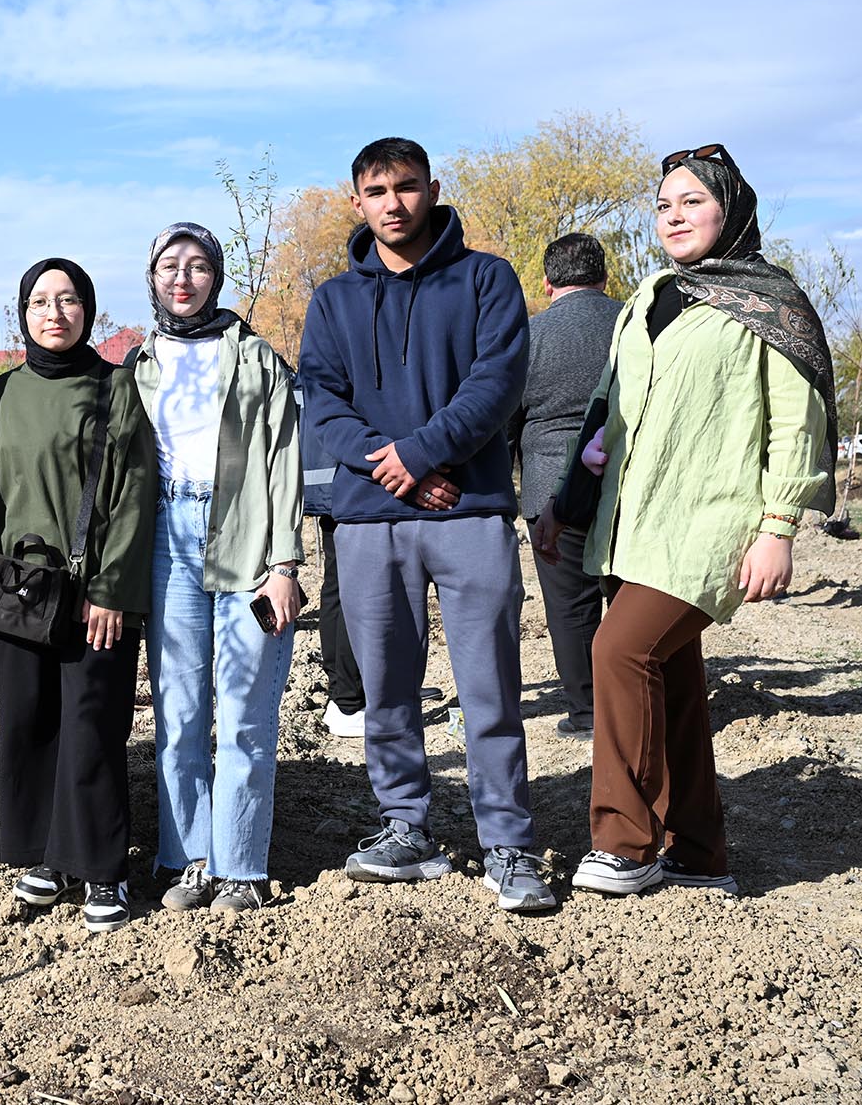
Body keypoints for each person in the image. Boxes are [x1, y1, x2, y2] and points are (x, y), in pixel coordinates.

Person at [536, 145, 835, 898]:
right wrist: (567, 498)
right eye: (664, 205)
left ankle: (625, 843)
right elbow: (607, 405)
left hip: (712, 523)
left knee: (617, 650)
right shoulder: (649, 296)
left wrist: (778, 528)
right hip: (636, 522)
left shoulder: (770, 304)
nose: (674, 216)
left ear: (730, 212)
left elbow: (795, 423)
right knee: (669, 680)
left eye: (693, 201)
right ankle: (700, 853)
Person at [298, 137, 554, 914]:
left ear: (433, 190)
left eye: (407, 187)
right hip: (370, 520)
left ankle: (507, 843)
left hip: (468, 511)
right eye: (378, 192)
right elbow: (321, 399)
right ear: (357, 202)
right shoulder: (333, 300)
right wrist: (397, 466)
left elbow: (496, 382)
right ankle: (405, 827)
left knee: (490, 688)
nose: (394, 203)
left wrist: (421, 452)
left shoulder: (486, 279)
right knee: (386, 689)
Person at [126, 224, 305, 914]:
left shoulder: (257, 358)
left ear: (217, 277)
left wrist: (284, 562)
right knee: (179, 712)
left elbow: (283, 459)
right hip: (167, 541)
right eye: (169, 265)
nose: (183, 278)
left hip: (247, 538)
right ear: (152, 277)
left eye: (198, 266)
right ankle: (190, 858)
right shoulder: (139, 363)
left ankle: (241, 866)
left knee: (245, 713)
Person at [0, 258, 155, 933]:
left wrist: (111, 589)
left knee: (91, 726)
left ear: (88, 309)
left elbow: (134, 493)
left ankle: (103, 868)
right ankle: (46, 857)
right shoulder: (5, 390)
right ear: (22, 313)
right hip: (21, 589)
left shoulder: (115, 386)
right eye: (40, 302)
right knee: (29, 722)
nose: (54, 313)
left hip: (93, 591)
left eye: (68, 300)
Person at [510, 233, 623, 740]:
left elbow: (506, 419)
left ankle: (588, 714)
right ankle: (639, 701)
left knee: (570, 606)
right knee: (631, 595)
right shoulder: (634, 324)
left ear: (547, 282)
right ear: (604, 276)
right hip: (627, 480)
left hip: (550, 490)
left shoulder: (527, 336)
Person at [299, 388, 365, 738]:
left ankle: (347, 695)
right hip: (347, 483)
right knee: (348, 590)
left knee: (338, 587)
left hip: (332, 484)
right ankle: (347, 701)